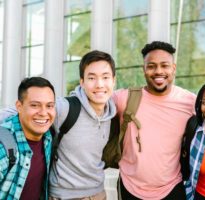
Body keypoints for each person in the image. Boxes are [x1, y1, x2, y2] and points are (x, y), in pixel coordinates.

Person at [0, 50, 117, 199]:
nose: (99, 84)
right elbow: (24, 109)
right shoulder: (66, 108)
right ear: (82, 82)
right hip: (64, 195)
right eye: (92, 77)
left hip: (99, 193)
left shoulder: (113, 112)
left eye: (105, 77)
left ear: (113, 80)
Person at [112, 41, 196, 200]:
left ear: (174, 68)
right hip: (130, 188)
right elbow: (93, 101)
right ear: (144, 70)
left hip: (172, 188)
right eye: (151, 66)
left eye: (165, 65)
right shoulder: (125, 98)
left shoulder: (190, 101)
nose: (158, 71)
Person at [0, 77, 56, 199]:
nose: (43, 112)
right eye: (35, 105)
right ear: (19, 106)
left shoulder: (48, 136)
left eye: (49, 106)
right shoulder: (3, 144)